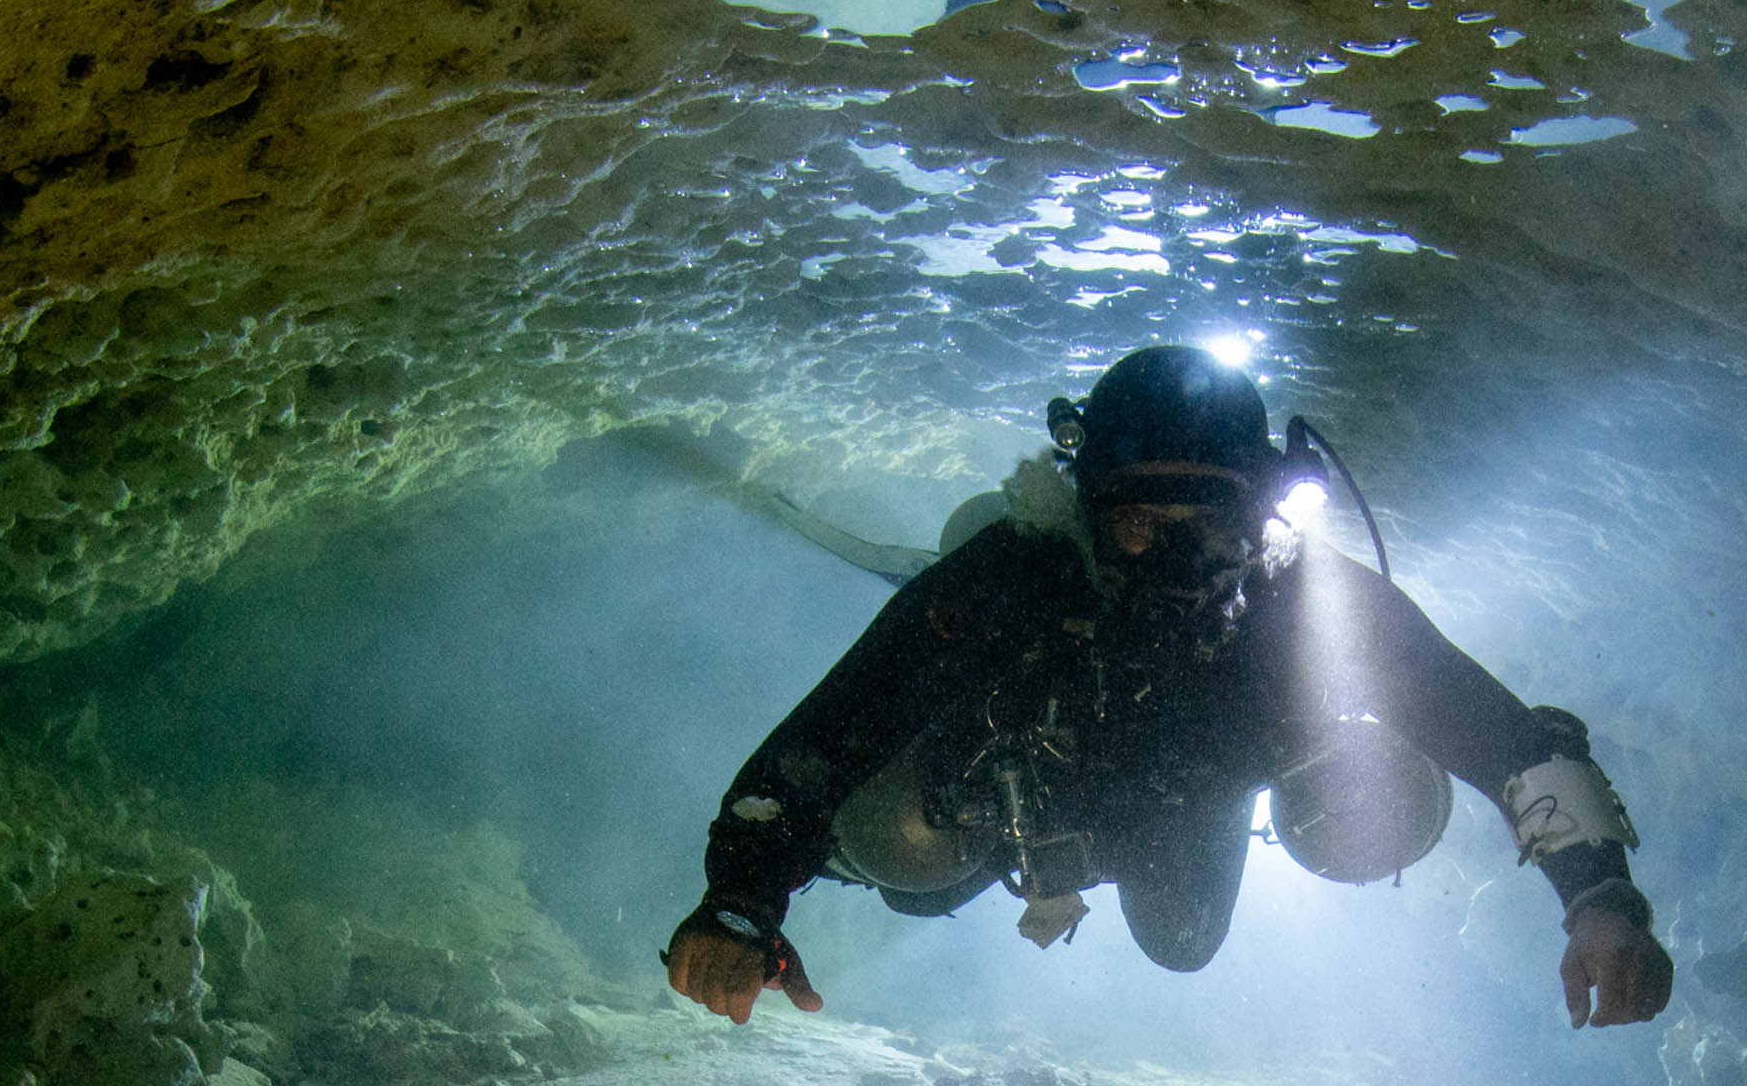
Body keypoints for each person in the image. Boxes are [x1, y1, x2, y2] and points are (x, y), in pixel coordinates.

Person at [664, 344, 1678, 1032]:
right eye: (1142, 525)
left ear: (1267, 510)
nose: (1178, 561)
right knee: (905, 859)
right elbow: (823, 737)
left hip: (1185, 811)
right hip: (1009, 802)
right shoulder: (1014, 576)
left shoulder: (1309, 604)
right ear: (1082, 510)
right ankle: (894, 848)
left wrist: (1599, 897)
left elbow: (1504, 738)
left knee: (1187, 944)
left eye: (1211, 524)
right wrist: (746, 899)